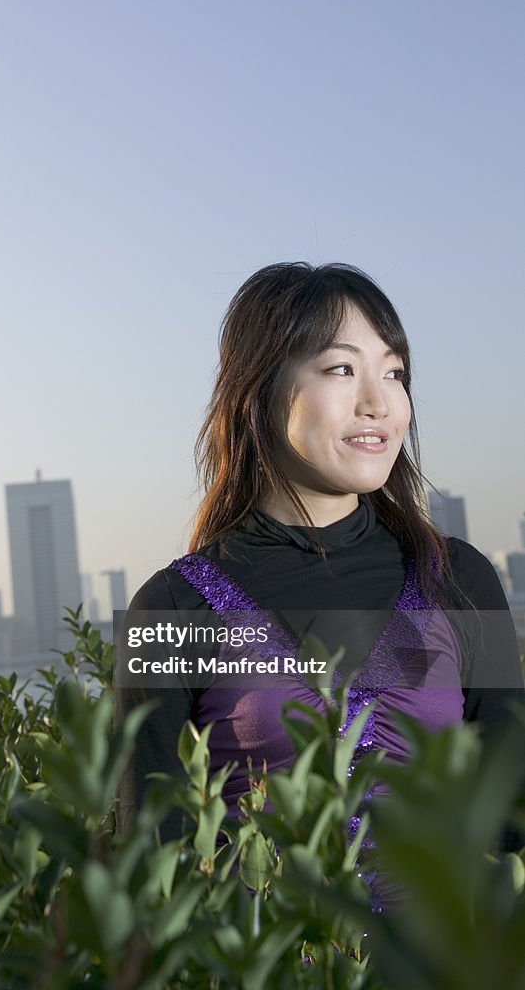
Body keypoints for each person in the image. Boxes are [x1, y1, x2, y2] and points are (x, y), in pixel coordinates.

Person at [114, 263, 524, 881]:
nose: (380, 403)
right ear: (261, 389)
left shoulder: (458, 577)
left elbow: (512, 824)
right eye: (341, 368)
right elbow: (152, 866)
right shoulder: (168, 608)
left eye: (394, 372)